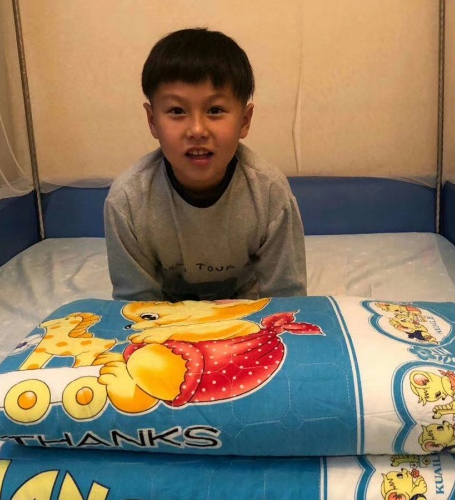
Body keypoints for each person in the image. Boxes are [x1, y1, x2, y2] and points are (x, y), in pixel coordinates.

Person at [104, 27, 307, 302]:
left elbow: (288, 298)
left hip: (246, 310)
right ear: (152, 121)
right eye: (177, 111)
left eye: (215, 110)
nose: (197, 130)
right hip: (166, 316)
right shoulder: (127, 202)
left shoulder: (270, 193)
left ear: (245, 121)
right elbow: (135, 307)